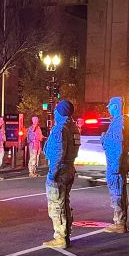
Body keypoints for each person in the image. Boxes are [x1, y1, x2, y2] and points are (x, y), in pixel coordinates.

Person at [43, 100, 81, 247]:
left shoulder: (60, 129)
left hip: (60, 170)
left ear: (60, 112)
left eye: (56, 110)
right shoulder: (74, 128)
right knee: (64, 203)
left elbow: (58, 152)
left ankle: (60, 238)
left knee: (56, 205)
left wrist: (53, 173)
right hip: (69, 168)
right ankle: (65, 234)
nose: (54, 113)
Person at [101, 96, 129, 233]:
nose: (108, 109)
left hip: (116, 163)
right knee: (120, 191)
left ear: (115, 106)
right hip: (120, 161)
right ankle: (121, 220)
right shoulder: (124, 121)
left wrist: (104, 139)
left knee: (117, 192)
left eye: (110, 107)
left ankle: (119, 222)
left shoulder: (118, 123)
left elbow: (117, 145)